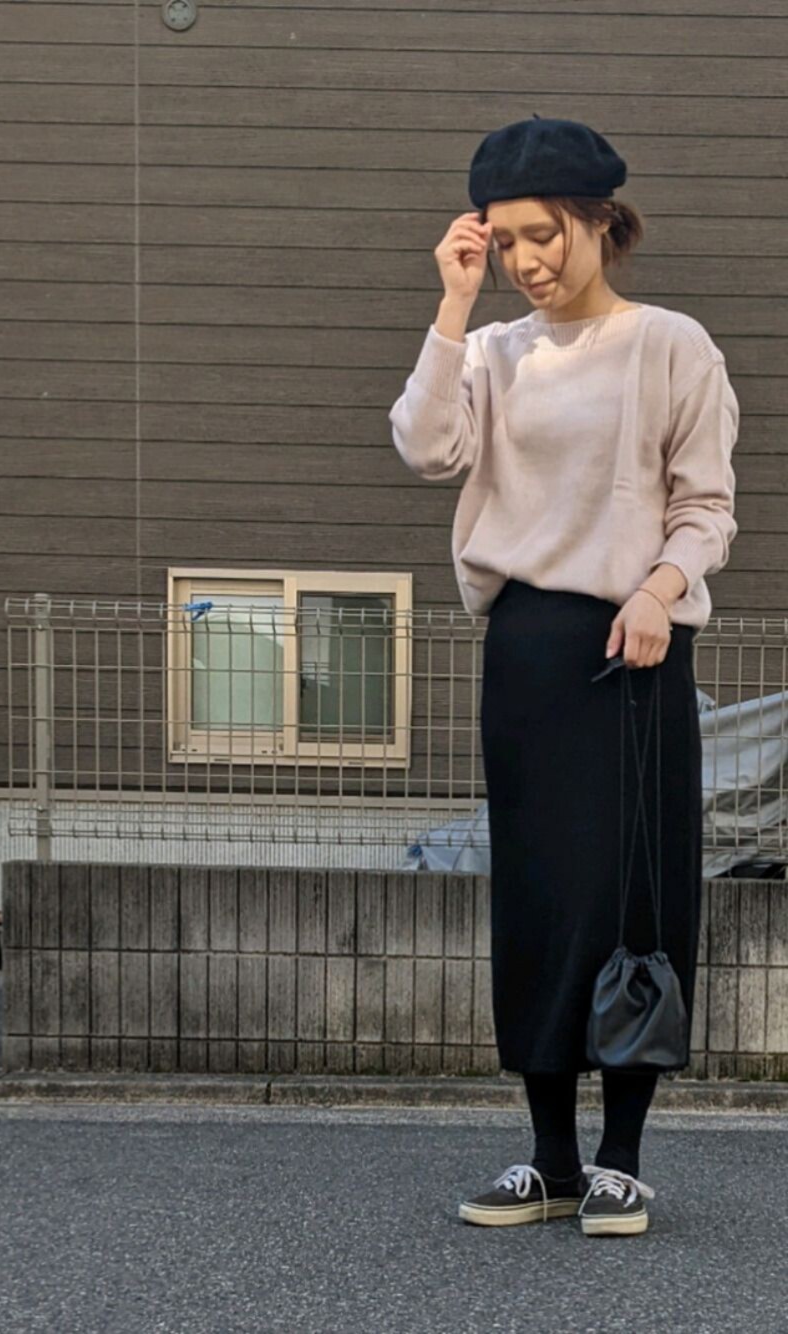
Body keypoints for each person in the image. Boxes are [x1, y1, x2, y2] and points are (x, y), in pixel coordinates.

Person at [388, 116, 739, 1237]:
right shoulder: (492, 353)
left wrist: (658, 591)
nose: (526, 260)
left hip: (637, 645)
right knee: (537, 896)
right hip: (530, 647)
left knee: (635, 894)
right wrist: (452, 307)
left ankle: (621, 1158)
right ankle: (549, 1157)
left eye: (543, 234)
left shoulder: (670, 345)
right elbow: (424, 447)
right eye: (503, 243)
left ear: (599, 220)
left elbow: (707, 506)